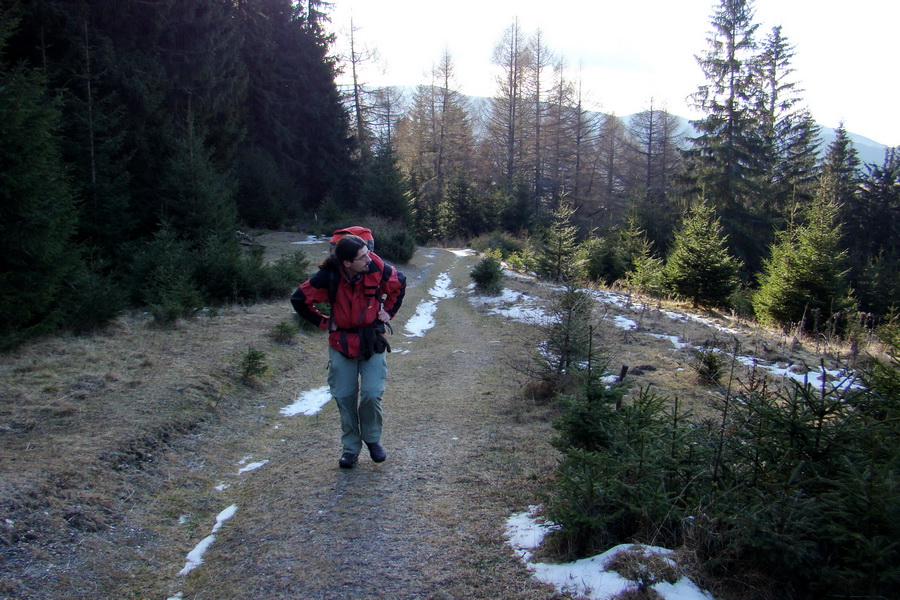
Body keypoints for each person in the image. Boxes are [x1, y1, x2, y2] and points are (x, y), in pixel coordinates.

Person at [291, 234, 406, 468]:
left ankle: (373, 440)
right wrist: (324, 322)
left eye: (368, 253)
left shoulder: (376, 267)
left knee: (372, 393)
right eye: (362, 257)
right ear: (346, 262)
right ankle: (351, 449)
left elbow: (399, 283)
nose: (369, 259)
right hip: (341, 342)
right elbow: (299, 299)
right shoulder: (329, 277)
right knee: (344, 396)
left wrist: (389, 313)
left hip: (372, 339)